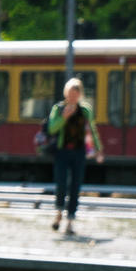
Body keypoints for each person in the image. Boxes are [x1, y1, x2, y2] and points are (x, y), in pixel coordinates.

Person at [45, 74, 100, 234]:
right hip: (62, 152)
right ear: (66, 93)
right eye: (70, 94)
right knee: (61, 184)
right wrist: (64, 117)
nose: (72, 97)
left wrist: (98, 149)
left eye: (75, 94)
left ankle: (70, 222)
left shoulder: (85, 110)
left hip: (79, 152)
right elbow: (51, 129)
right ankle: (58, 214)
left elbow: (92, 130)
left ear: (80, 94)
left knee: (75, 187)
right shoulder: (59, 109)